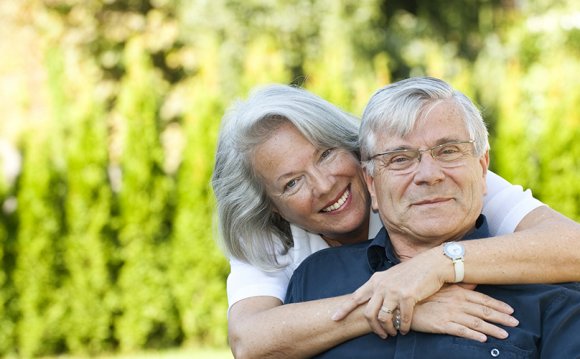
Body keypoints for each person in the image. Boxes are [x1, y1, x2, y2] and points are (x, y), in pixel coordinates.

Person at [211, 83, 580, 358]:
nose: (323, 186)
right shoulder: (290, 258)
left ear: (355, 153)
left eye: (325, 155)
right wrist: (398, 307)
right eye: (291, 183)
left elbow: (572, 246)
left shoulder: (447, 180)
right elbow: (250, 340)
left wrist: (436, 266)